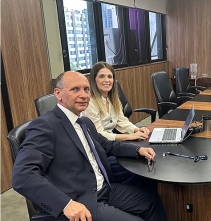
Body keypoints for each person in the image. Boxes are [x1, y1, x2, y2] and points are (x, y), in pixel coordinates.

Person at [12, 71, 168, 221]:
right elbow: (23, 175)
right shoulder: (45, 125)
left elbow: (106, 145)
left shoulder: (84, 122)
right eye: (75, 89)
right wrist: (66, 204)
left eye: (86, 89)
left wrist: (137, 149)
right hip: (80, 200)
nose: (83, 95)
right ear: (58, 94)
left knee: (151, 201)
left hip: (104, 188)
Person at [82, 61, 153, 186]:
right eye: (102, 76)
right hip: (100, 148)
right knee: (137, 166)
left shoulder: (112, 98)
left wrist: (136, 130)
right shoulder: (90, 102)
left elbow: (121, 120)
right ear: (94, 79)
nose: (107, 80)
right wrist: (128, 136)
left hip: (112, 143)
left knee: (142, 156)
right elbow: (98, 134)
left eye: (110, 77)